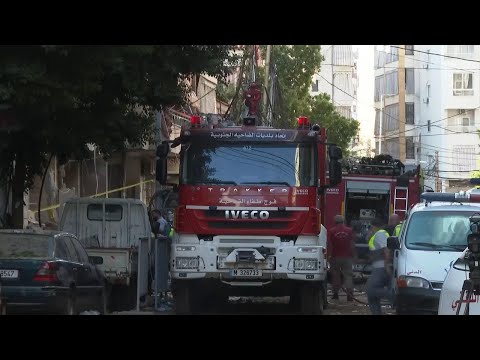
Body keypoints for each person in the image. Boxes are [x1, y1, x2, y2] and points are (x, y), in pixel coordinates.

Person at [366, 217, 395, 315]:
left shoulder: (380, 234)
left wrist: (386, 266)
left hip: (381, 267)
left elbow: (387, 250)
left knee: (371, 290)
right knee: (372, 295)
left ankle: (394, 296)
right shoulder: (378, 234)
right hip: (379, 267)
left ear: (373, 226)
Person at [327, 215, 355, 301]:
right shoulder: (349, 230)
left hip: (335, 257)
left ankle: (335, 294)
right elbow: (352, 244)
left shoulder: (331, 231)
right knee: (348, 276)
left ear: (334, 222)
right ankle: (349, 295)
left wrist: (329, 256)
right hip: (347, 257)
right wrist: (354, 255)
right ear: (344, 221)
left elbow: (329, 244)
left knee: (335, 276)